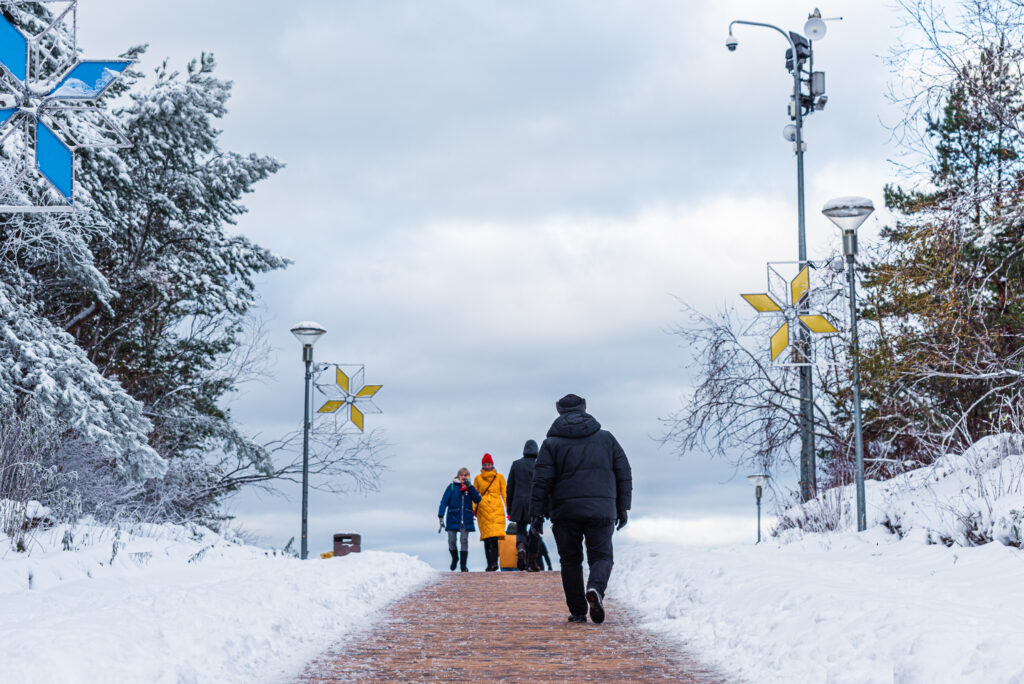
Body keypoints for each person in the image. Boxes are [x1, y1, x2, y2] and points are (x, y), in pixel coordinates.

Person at [530, 393, 631, 624]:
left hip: (565, 512)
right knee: (602, 556)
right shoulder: (607, 439)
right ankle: (595, 587)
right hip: (601, 509)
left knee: (570, 560)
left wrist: (536, 513)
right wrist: (623, 507)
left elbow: (541, 481)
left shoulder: (551, 444)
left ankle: (577, 611)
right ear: (584, 408)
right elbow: (624, 472)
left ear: (559, 412)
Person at [438, 467, 481, 572]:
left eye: (466, 475)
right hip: (453, 517)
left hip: (465, 519)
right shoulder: (452, 487)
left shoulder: (470, 488)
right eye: (462, 475)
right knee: (451, 541)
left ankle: (463, 566)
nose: (463, 477)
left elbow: (478, 499)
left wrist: (470, 487)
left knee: (464, 541)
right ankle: (455, 558)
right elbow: (444, 501)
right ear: (458, 476)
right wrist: (441, 515)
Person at [506, 439, 539, 570]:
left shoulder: (516, 464)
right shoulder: (539, 465)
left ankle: (521, 548)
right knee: (535, 531)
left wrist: (509, 507)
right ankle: (531, 562)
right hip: (535, 504)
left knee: (520, 529)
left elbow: (510, 488)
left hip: (518, 503)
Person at [473, 453, 507, 572]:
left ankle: (493, 563)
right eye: (485, 464)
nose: (487, 466)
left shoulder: (499, 477)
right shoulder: (478, 478)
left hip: (496, 508)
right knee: (487, 538)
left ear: (492, 464)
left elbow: (505, 493)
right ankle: (490, 563)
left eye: (489, 464)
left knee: (494, 538)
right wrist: (473, 509)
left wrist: (509, 509)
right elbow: (474, 494)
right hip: (483, 509)